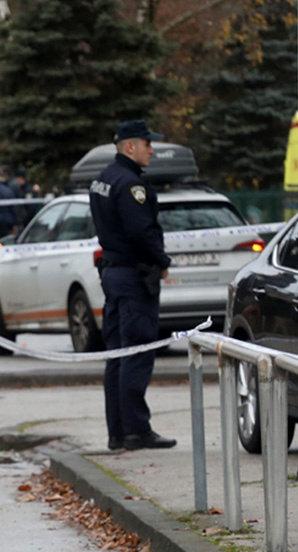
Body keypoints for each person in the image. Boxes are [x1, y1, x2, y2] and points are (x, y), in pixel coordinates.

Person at [89, 120, 176, 452]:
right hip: (132, 275)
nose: (151, 149)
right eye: (146, 143)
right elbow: (141, 232)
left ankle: (118, 430)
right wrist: (162, 261)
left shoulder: (103, 179)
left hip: (113, 273)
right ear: (129, 146)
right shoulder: (130, 185)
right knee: (137, 351)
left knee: (118, 354)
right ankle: (136, 430)